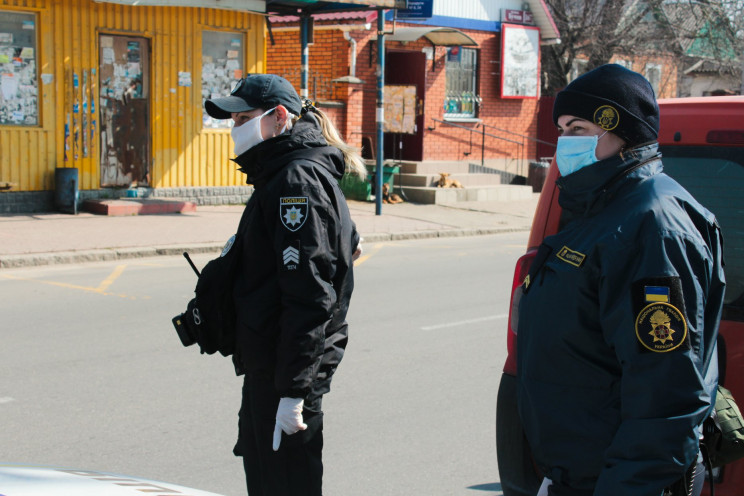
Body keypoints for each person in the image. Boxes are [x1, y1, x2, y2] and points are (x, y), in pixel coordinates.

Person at [515, 64, 726, 496]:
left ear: (623, 132)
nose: (564, 141)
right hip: (579, 474)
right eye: (560, 129)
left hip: (618, 482)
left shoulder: (652, 226)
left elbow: (667, 396)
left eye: (577, 127)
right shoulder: (603, 209)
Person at [203, 74, 365, 496]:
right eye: (232, 120)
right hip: (271, 366)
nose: (234, 129)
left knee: (285, 484)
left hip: (284, 373)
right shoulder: (281, 172)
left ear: (278, 118)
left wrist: (293, 393)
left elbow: (310, 297)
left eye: (243, 118)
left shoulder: (295, 180)